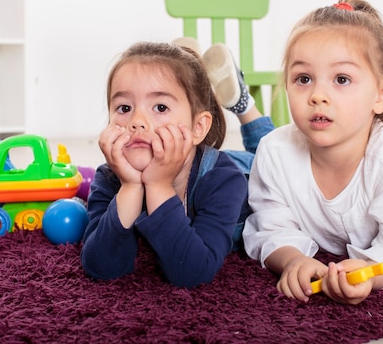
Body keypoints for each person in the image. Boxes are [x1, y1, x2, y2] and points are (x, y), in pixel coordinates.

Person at [242, 0, 383, 305]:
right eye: (303, 79)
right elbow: (269, 227)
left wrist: (370, 273)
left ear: (381, 94)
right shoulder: (274, 151)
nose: (318, 95)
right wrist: (292, 259)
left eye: (342, 79)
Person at [80, 40, 273, 288]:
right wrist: (130, 187)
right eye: (124, 107)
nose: (137, 121)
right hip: (196, 154)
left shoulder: (224, 180)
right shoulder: (109, 178)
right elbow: (101, 267)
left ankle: (243, 104)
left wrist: (158, 186)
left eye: (160, 107)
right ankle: (188, 52)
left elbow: (193, 272)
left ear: (198, 127)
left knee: (271, 153)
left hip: (246, 169)